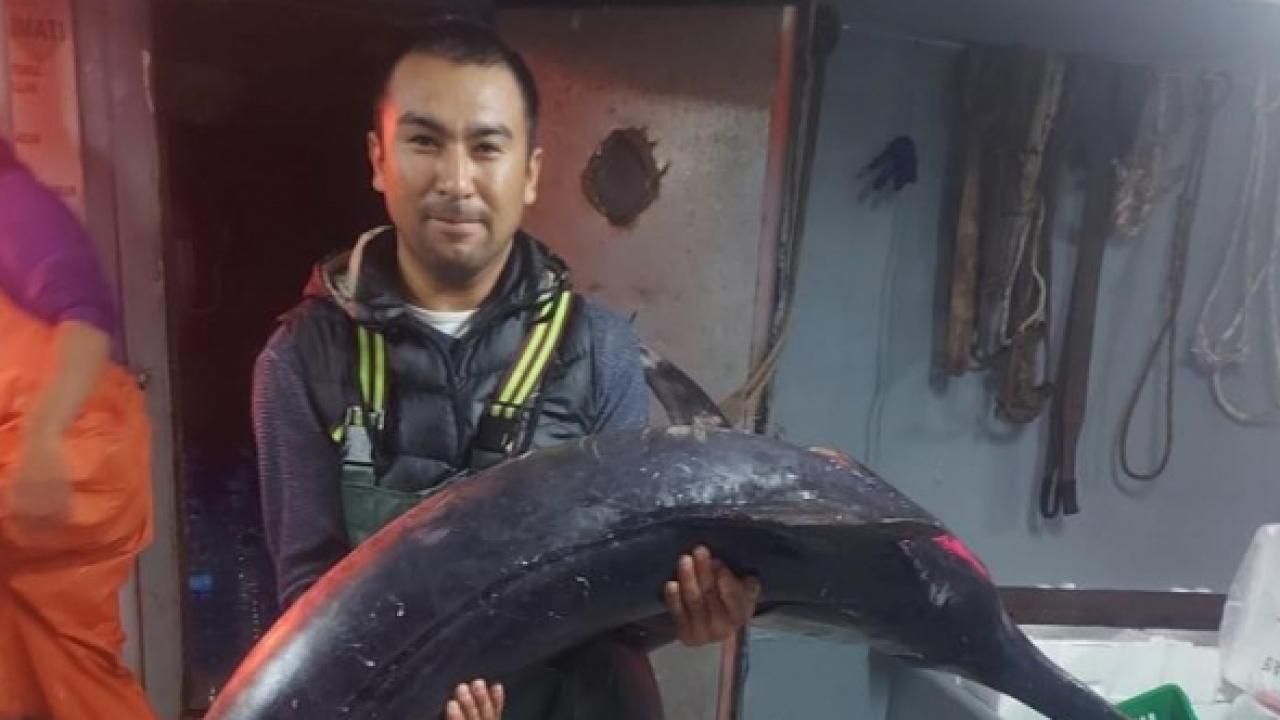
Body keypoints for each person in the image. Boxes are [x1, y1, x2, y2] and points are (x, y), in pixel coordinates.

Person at [251, 16, 760, 720]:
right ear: (378, 159)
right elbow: (309, 611)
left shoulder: (602, 351)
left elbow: (615, 606)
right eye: (424, 141)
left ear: (530, 173)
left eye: (486, 146)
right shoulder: (299, 360)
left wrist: (686, 610)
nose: (456, 180)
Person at [0, 137, 157, 719]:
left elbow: (87, 322)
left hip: (66, 455)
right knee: (51, 666)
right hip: (46, 457)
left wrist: (42, 441)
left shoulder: (12, 203)